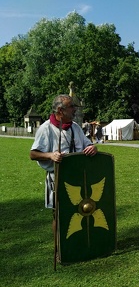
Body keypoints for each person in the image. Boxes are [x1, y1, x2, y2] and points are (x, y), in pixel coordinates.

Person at [30, 94, 97, 235]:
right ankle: (60, 250)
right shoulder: (46, 129)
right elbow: (33, 154)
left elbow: (87, 144)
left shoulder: (75, 127)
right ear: (61, 110)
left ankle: (78, 243)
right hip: (58, 177)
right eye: (71, 106)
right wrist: (50, 155)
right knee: (59, 214)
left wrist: (93, 147)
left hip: (78, 177)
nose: (75, 109)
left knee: (81, 210)